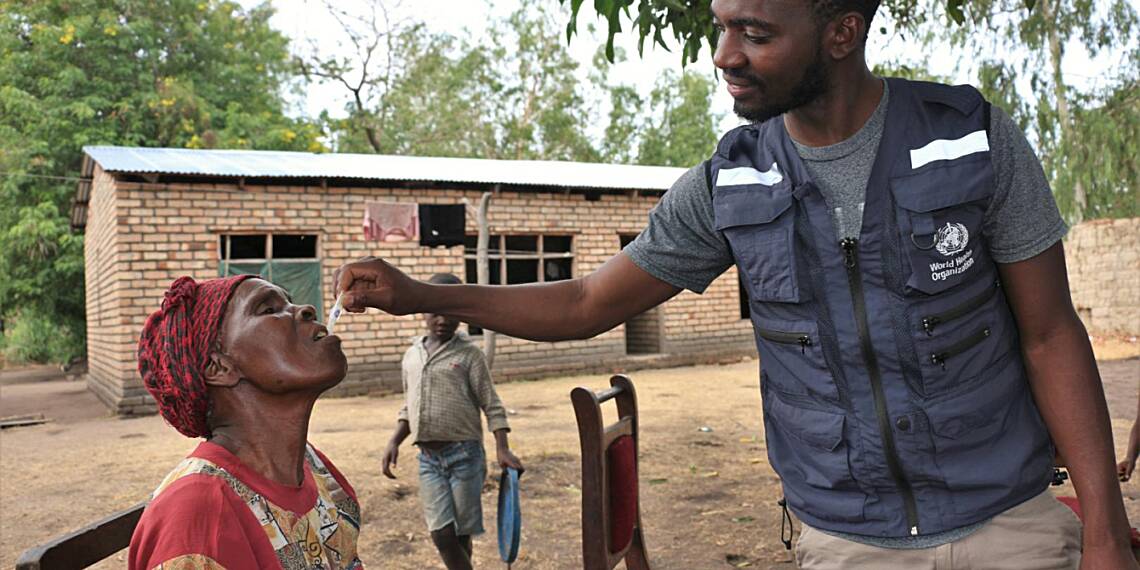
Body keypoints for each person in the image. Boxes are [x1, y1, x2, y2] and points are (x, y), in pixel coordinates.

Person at [333, 0, 1135, 567]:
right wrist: (424, 294)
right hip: (848, 542)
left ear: (841, 31)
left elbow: (1051, 334)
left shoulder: (971, 142)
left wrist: (1104, 529)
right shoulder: (730, 184)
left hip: (1010, 524)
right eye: (722, 26)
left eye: (755, 32)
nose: (724, 54)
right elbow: (584, 303)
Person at [129, 275, 363, 569]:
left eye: (289, 302)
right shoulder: (197, 517)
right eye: (269, 309)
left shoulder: (313, 466)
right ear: (219, 367)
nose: (306, 309)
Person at [380, 273, 524, 570]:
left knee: (460, 534)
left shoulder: (470, 355)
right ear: (422, 310)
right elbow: (409, 405)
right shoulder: (412, 356)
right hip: (428, 459)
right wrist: (394, 441)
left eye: (450, 312)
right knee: (441, 534)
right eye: (435, 312)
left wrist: (502, 448)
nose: (442, 320)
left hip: (465, 456)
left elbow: (491, 404)